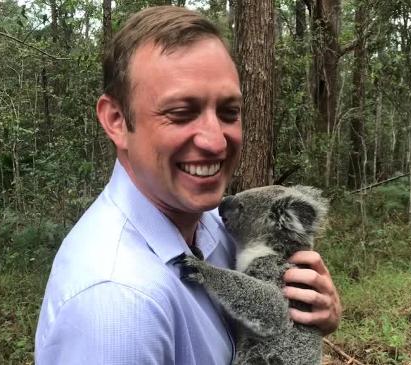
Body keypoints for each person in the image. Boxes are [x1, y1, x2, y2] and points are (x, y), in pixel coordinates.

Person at [35, 6, 341, 364]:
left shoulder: (210, 221)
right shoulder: (115, 304)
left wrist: (313, 316)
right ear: (117, 121)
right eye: (180, 113)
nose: (215, 142)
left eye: (229, 112)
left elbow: (265, 309)